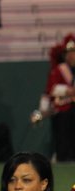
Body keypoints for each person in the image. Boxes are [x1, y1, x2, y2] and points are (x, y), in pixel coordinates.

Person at [47, 34, 75, 163]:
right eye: (69, 53)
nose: (72, 56)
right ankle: (63, 156)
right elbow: (52, 89)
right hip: (65, 107)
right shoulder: (60, 69)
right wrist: (68, 91)